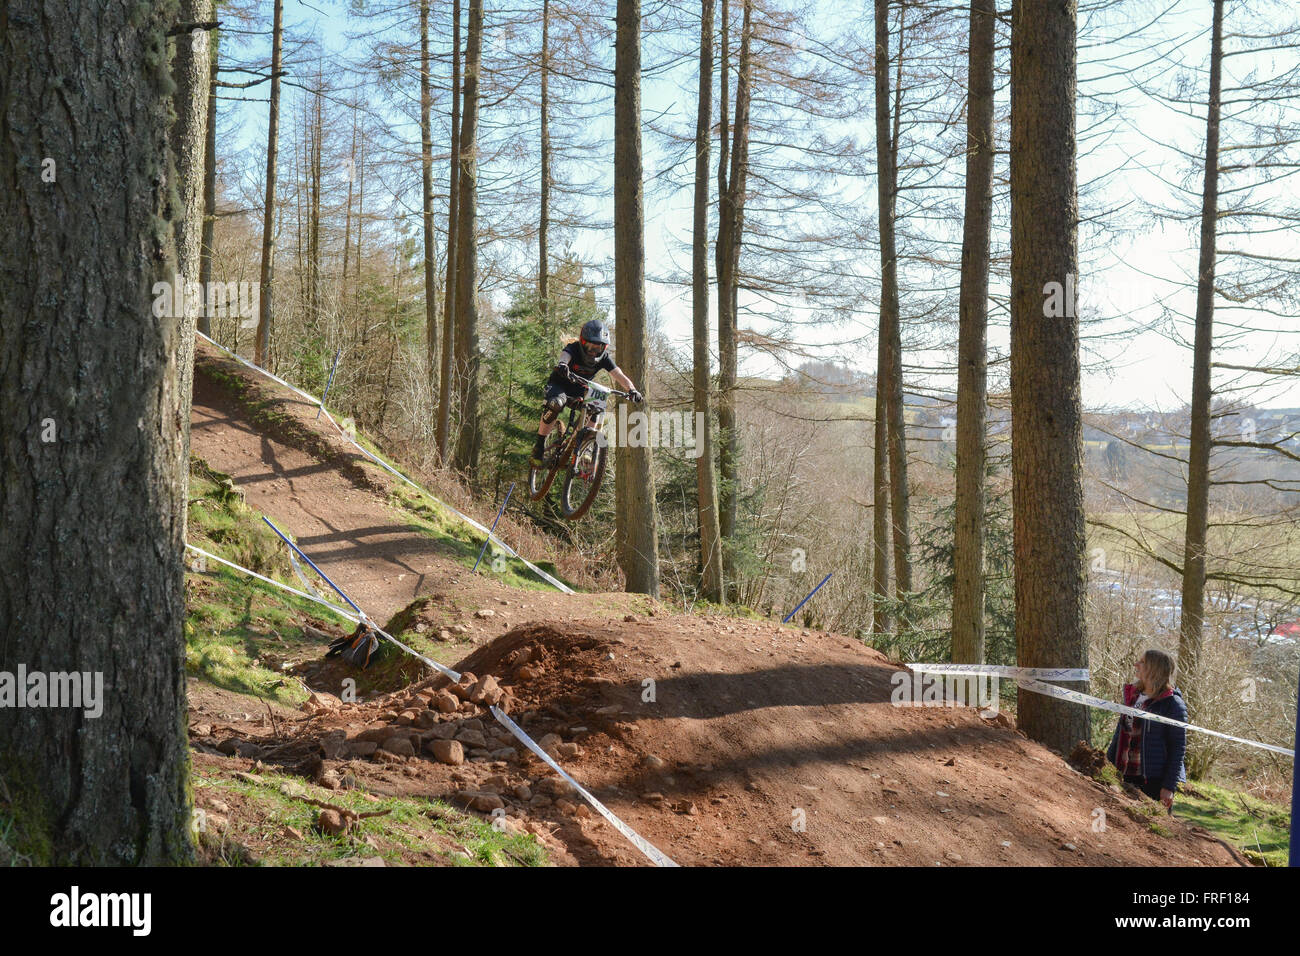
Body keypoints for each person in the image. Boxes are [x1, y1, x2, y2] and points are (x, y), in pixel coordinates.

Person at [531, 318, 642, 465]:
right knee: (556, 404)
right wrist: (563, 364)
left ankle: (584, 446)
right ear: (582, 342)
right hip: (560, 384)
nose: (593, 352)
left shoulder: (604, 358)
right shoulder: (574, 348)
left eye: (598, 348)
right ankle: (539, 445)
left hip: (580, 389)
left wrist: (632, 389)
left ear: (604, 348)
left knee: (596, 409)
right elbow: (565, 355)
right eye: (590, 347)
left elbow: (618, 374)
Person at [1106, 648, 1187, 810]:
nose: (1136, 664)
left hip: (1153, 782)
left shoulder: (1173, 704)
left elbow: (1178, 749)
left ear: (1154, 669)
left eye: (1142, 662)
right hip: (1123, 774)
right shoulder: (1132, 695)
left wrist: (1169, 787)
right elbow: (1120, 733)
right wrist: (1107, 764)